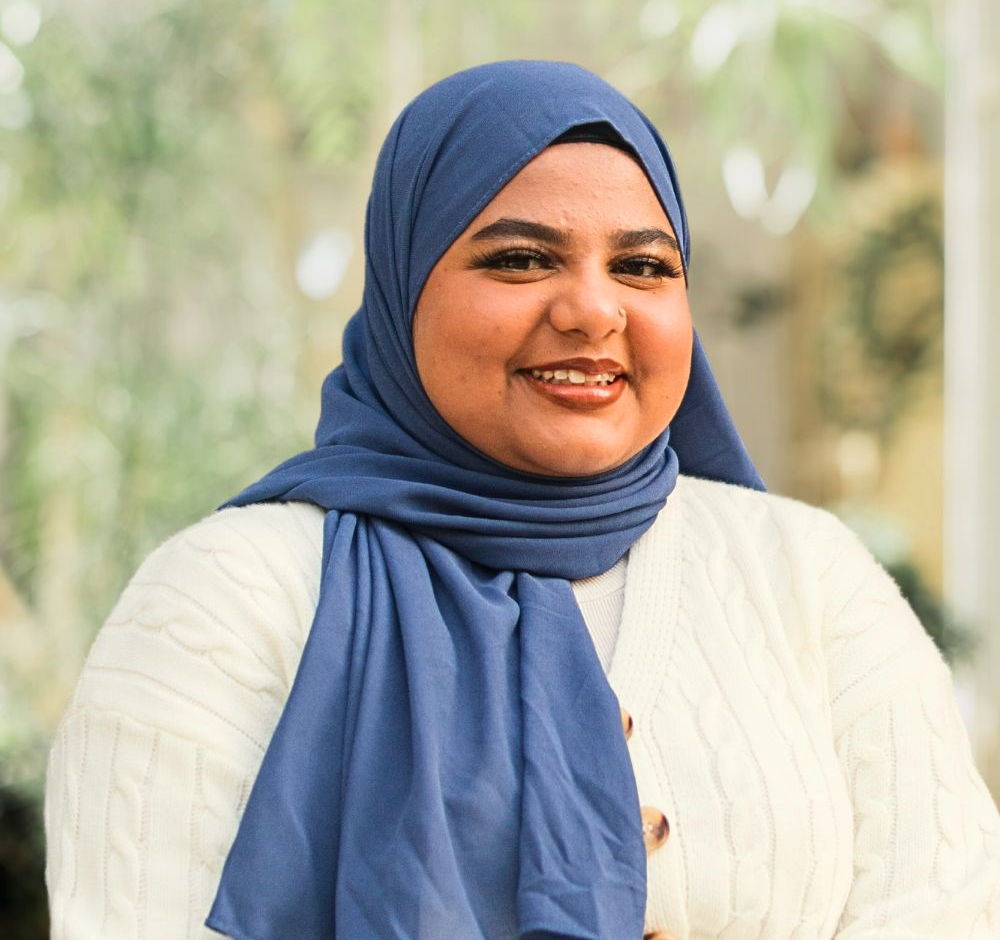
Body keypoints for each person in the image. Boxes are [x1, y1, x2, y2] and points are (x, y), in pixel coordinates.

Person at [45, 61, 1000, 940]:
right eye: (520, 260)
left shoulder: (805, 577)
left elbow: (945, 909)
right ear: (403, 287)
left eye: (643, 266)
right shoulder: (226, 600)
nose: (594, 310)